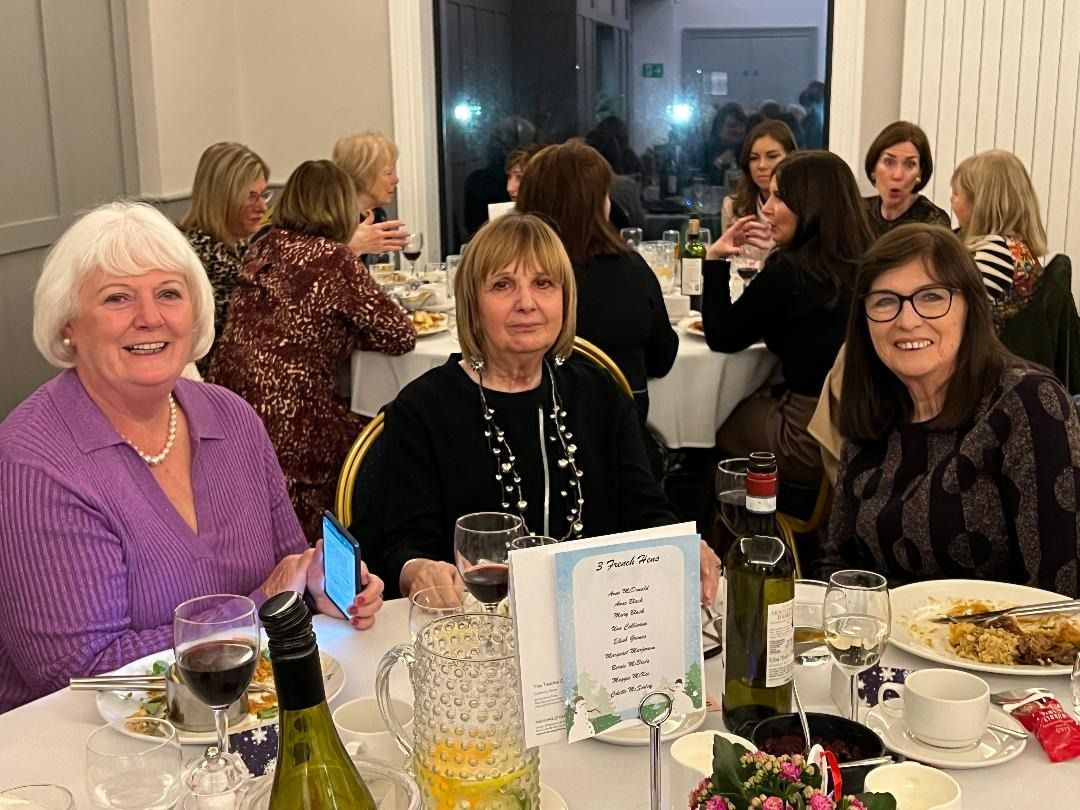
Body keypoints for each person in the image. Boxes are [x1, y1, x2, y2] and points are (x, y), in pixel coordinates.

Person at [0, 201, 385, 713]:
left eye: (168, 294)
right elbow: (79, 675)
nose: (149, 318)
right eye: (117, 298)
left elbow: (287, 566)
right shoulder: (37, 460)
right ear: (68, 324)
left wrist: (317, 586)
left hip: (246, 714)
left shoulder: (231, 417)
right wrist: (258, 607)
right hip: (96, 743)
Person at [356, 213, 718, 600]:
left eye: (543, 283)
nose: (526, 303)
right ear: (472, 303)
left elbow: (646, 508)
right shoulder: (424, 408)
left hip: (597, 613)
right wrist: (419, 570)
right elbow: (405, 545)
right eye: (502, 285)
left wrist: (681, 545)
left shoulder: (599, 394)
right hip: (473, 618)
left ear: (565, 298)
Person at [823, 224, 1080, 597]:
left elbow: (1062, 591)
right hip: (882, 632)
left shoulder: (1026, 404)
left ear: (970, 307)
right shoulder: (876, 414)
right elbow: (838, 565)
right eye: (884, 301)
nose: (907, 320)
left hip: (1003, 635)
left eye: (931, 297)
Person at [207, 160, 416, 542]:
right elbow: (400, 335)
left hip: (227, 404)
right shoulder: (334, 258)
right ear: (342, 207)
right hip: (293, 414)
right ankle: (359, 549)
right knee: (390, 441)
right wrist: (353, 333)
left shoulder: (265, 245)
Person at [702, 151, 872, 486]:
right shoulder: (868, 263)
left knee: (710, 422)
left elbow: (722, 336)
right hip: (862, 434)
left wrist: (715, 259)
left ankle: (741, 511)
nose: (766, 208)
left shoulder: (791, 272)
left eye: (779, 197)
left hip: (808, 437)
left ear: (812, 205)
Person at [515, 140, 678, 445]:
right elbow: (662, 360)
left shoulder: (511, 280)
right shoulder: (631, 270)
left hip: (527, 440)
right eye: (605, 195)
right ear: (594, 205)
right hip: (620, 446)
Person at [178, 142, 270, 374]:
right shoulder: (200, 257)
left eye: (263, 195)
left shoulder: (240, 246)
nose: (262, 207)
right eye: (251, 197)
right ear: (223, 198)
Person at [331, 131, 410, 264]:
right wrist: (351, 247)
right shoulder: (333, 221)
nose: (395, 180)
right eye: (388, 173)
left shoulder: (378, 215)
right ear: (363, 176)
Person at [862, 121, 950, 238]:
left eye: (910, 164)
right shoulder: (858, 211)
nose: (897, 175)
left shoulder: (933, 224)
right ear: (874, 166)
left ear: (920, 172)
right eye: (889, 162)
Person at [720, 120, 798, 233]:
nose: (761, 165)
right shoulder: (733, 206)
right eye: (754, 158)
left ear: (791, 157)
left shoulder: (805, 205)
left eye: (772, 156)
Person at [704, 103, 748, 187]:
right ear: (719, 128)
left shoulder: (749, 151)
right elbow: (699, 183)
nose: (738, 130)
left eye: (741, 126)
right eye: (732, 126)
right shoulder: (704, 151)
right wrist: (719, 162)